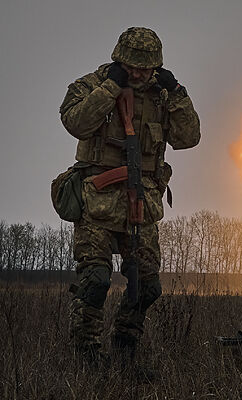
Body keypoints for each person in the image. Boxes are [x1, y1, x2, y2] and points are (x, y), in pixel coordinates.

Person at [59, 27, 201, 364]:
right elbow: (75, 123)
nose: (139, 74)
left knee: (148, 287)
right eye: (133, 67)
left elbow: (189, 137)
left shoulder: (163, 95)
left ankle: (124, 347)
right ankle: (87, 356)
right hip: (98, 203)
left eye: (146, 68)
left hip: (143, 204)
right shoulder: (92, 85)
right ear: (119, 60)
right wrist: (110, 87)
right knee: (94, 281)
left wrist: (178, 92)